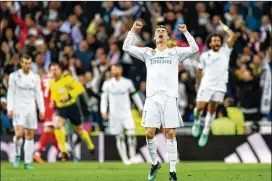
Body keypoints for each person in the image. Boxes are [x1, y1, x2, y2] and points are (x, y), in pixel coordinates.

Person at [123, 21, 199, 181]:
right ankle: (155, 163)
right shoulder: (148, 52)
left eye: (163, 30)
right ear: (155, 36)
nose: (160, 32)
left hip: (170, 97)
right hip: (152, 97)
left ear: (167, 36)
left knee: (170, 132)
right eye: (158, 30)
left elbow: (195, 49)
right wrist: (133, 30)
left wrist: (186, 32)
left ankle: (172, 171)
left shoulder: (175, 52)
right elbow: (126, 47)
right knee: (150, 132)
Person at [192, 20, 238, 147]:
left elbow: (233, 36)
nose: (217, 42)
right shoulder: (205, 55)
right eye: (214, 40)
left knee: (212, 110)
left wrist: (224, 27)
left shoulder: (225, 51)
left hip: (220, 85)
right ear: (210, 43)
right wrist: (197, 85)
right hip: (206, 85)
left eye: (218, 40)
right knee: (199, 108)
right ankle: (197, 121)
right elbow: (199, 72)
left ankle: (205, 132)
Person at [49, 63, 95, 161]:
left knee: (80, 131)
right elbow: (54, 94)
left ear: (60, 70)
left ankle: (90, 145)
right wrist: (53, 101)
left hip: (72, 107)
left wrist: (69, 95)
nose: (54, 72)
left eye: (55, 69)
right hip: (61, 109)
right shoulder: (51, 82)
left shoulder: (67, 79)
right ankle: (64, 151)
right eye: (52, 70)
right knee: (57, 126)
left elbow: (80, 88)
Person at [100, 64, 144, 165]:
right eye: (112, 69)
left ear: (121, 70)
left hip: (126, 113)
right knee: (119, 137)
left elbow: (135, 95)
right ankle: (125, 159)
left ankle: (132, 156)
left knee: (131, 134)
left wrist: (141, 108)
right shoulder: (107, 84)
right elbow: (104, 99)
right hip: (114, 114)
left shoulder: (127, 83)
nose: (113, 71)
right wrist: (103, 111)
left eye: (115, 69)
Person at [7, 55, 45, 169]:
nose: (27, 65)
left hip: (31, 109)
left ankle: (27, 162)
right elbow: (11, 92)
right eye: (25, 63)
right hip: (18, 107)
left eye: (29, 63)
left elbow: (39, 94)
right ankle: (17, 155)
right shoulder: (14, 76)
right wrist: (10, 108)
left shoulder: (35, 77)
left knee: (30, 135)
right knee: (19, 134)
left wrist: (42, 109)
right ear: (21, 63)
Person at [33, 72, 61, 164]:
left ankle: (61, 153)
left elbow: (37, 93)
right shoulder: (55, 79)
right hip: (51, 106)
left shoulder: (42, 79)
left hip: (45, 106)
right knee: (48, 129)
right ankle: (38, 153)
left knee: (52, 131)